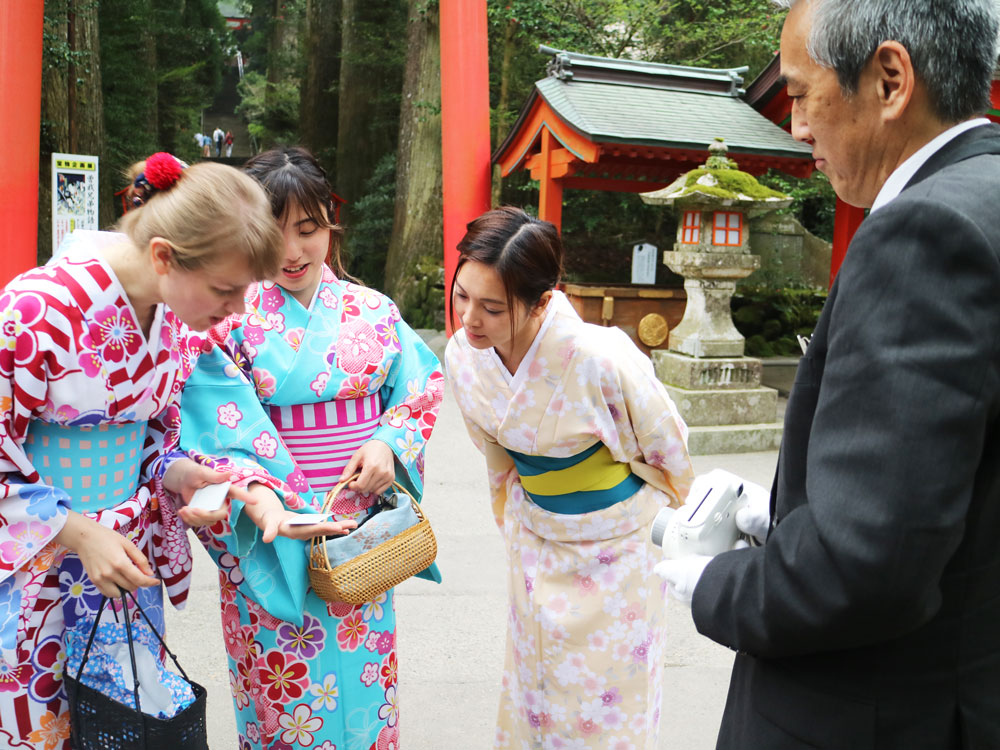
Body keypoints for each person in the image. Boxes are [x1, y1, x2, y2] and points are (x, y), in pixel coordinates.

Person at [655, 0, 1000, 747]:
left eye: (804, 93)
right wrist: (783, 509)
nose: (798, 126)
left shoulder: (923, 233)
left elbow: (866, 566)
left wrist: (710, 584)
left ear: (889, 79)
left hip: (872, 709)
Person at [0, 153, 284, 749]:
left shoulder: (171, 314)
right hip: (35, 567)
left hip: (123, 557)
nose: (236, 311)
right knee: (37, 729)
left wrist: (179, 472)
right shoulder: (36, 310)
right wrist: (76, 531)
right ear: (163, 255)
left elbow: (153, 437)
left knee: (123, 728)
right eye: (226, 290)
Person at [177, 146, 444, 750]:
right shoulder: (227, 321)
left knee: (366, 695)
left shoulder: (374, 311)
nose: (293, 250)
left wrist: (388, 443)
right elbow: (212, 430)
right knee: (284, 701)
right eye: (275, 232)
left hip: (359, 532)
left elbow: (421, 386)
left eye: (309, 228)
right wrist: (270, 497)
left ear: (330, 224)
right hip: (274, 535)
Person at [444, 206, 694, 749]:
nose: (469, 319)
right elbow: (495, 452)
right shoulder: (464, 356)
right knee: (537, 689)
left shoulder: (600, 356)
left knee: (611, 703)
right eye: (462, 296)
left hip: (619, 550)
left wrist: (668, 517)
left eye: (491, 307)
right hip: (538, 542)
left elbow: (666, 443)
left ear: (540, 301)